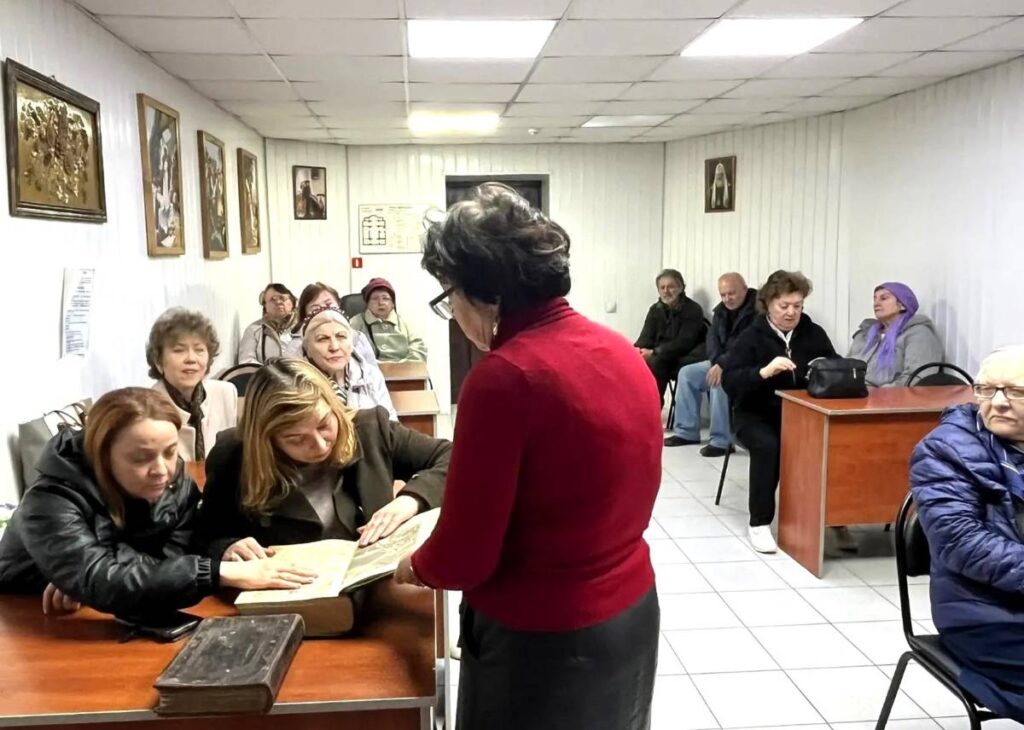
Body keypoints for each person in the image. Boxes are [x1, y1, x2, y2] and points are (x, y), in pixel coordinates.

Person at [394, 183, 662, 730]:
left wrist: (414, 566)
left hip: (544, 640)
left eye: (450, 294)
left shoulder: (504, 378)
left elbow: (466, 556)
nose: (453, 312)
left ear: (485, 293)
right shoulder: (617, 347)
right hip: (631, 614)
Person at [0, 388, 316, 618]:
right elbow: (102, 579)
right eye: (141, 458)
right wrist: (220, 573)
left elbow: (177, 550)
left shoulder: (175, 479)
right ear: (102, 456)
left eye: (170, 451)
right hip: (29, 613)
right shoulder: (50, 500)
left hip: (114, 602)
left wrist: (223, 549)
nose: (162, 470)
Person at [199, 359, 449, 561]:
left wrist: (411, 499)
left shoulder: (370, 429)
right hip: (289, 594)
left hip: (375, 586)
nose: (320, 445)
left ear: (334, 408)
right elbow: (205, 537)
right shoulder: (234, 454)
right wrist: (227, 548)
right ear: (266, 439)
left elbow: (452, 458)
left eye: (324, 425)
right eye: (296, 439)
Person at [911, 346, 1024, 723]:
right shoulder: (944, 449)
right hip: (985, 612)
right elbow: (962, 544)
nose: (999, 402)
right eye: (987, 389)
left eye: (1016, 391)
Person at [722, 270, 836, 554]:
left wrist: (824, 369)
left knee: (832, 444)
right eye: (784, 306)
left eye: (797, 306)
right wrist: (762, 372)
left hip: (803, 414)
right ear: (768, 305)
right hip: (755, 414)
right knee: (768, 445)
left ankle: (834, 520)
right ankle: (760, 523)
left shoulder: (813, 333)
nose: (791, 312)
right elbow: (730, 381)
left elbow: (833, 365)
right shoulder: (751, 336)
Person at [665, 272, 757, 456]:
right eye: (723, 295)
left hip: (747, 365)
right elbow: (712, 340)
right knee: (687, 373)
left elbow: (746, 346)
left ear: (744, 289)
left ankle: (721, 441)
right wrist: (716, 362)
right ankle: (686, 431)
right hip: (721, 362)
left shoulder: (758, 311)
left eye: (731, 293)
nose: (727, 299)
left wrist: (722, 365)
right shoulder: (720, 312)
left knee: (719, 381)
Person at [148, 308, 237, 461]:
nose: (191, 359)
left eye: (199, 350)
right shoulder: (149, 407)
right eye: (179, 350)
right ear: (158, 361)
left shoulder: (225, 393)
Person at [303, 307, 397, 420]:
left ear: (351, 344)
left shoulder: (371, 375)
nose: (334, 347)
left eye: (341, 336)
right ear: (308, 349)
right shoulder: (297, 384)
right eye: (323, 339)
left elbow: (391, 423)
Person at [634, 269, 708, 405]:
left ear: (681, 288)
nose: (666, 291)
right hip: (661, 356)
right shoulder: (655, 309)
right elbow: (646, 336)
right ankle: (636, 408)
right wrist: (636, 351)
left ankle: (654, 407)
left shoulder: (693, 309)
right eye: (662, 287)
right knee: (632, 362)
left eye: (671, 287)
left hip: (684, 357)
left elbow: (684, 342)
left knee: (655, 362)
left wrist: (655, 352)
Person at [849, 282, 944, 387]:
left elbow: (918, 377)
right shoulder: (864, 334)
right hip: (850, 392)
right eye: (875, 299)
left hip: (887, 395)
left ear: (902, 305)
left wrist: (884, 392)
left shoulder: (918, 334)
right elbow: (844, 368)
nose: (876, 303)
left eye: (884, 298)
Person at [285, 282, 378, 366]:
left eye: (328, 304)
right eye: (315, 308)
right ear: (305, 314)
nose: (324, 311)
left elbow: (373, 373)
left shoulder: (358, 338)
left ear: (339, 305)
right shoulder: (296, 346)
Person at [349, 278, 428, 363]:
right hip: (369, 369)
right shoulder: (355, 322)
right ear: (367, 304)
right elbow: (351, 351)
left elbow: (419, 350)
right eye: (375, 298)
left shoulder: (405, 323)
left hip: (406, 369)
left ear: (392, 303)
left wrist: (401, 366)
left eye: (385, 298)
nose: (381, 302)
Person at [238, 283, 298, 364]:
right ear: (265, 306)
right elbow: (246, 361)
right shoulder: (253, 330)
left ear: (292, 302)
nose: (278, 302)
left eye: (282, 298)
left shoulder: (303, 327)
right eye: (273, 299)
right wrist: (267, 371)